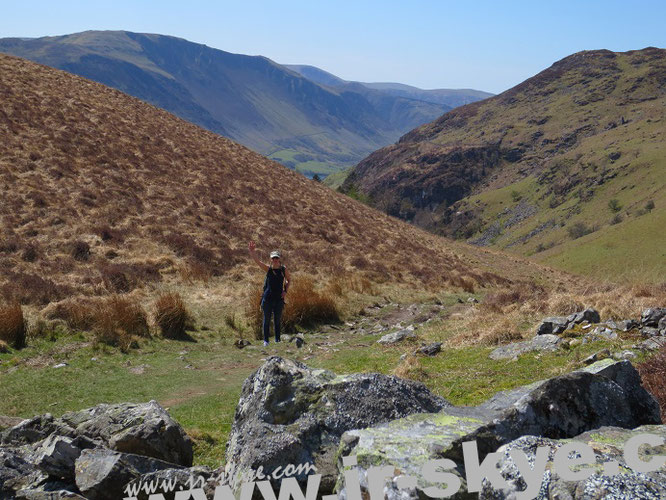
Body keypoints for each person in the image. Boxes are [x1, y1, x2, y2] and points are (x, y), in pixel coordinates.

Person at [248, 241, 291, 347]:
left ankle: (277, 340)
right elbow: (258, 262)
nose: (275, 260)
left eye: (277, 258)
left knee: (277, 320)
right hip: (267, 299)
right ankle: (266, 341)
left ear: (279, 258)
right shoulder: (268, 269)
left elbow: (288, 280)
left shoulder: (283, 269)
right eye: (273, 258)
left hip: (279, 299)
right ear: (271, 259)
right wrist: (252, 252)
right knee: (266, 320)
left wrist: (285, 291)